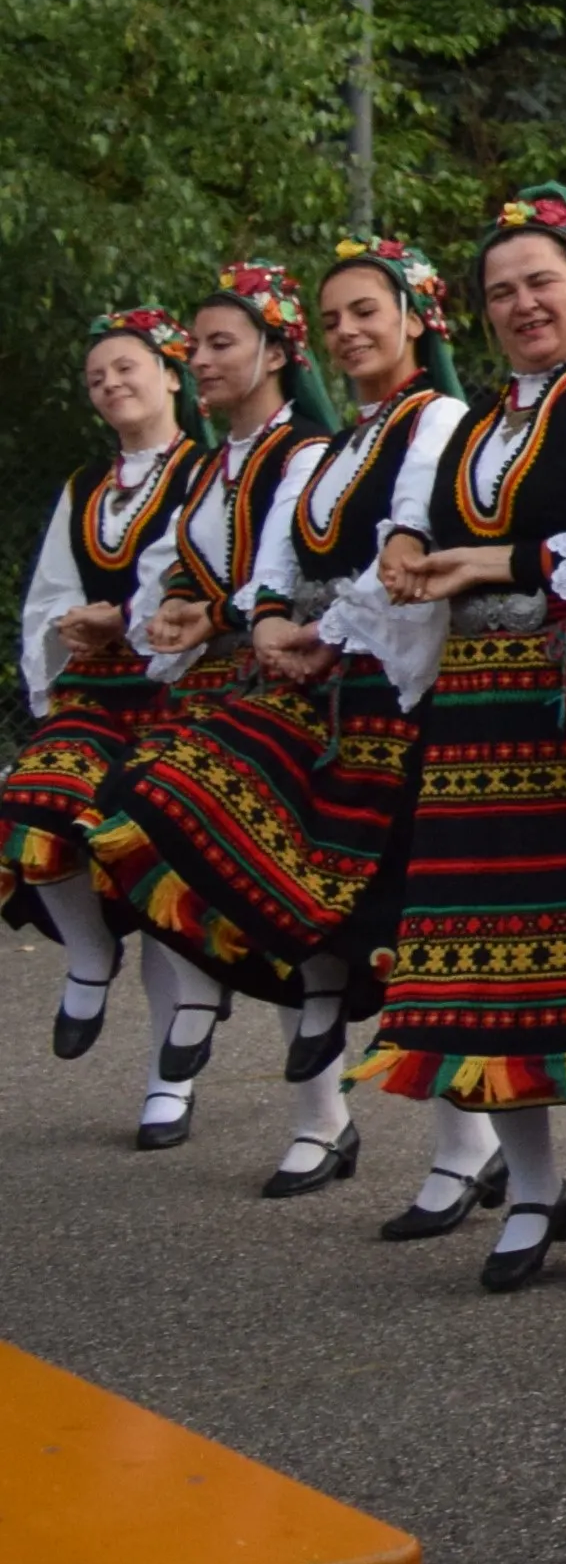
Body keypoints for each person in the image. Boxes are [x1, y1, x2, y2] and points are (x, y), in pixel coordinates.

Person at [84, 234, 474, 1203]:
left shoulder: (436, 422)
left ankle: (467, 1147)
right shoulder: (333, 450)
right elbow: (269, 568)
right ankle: (318, 1082)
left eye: (364, 313)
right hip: (322, 687)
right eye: (334, 316)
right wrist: (255, 618)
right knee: (238, 845)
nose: (347, 331)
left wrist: (299, 632)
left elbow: (403, 554)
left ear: (415, 319)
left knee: (419, 925)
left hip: (409, 694)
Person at [357, 186, 566, 1292]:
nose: (522, 304)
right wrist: (406, 557)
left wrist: (497, 563)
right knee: (485, 957)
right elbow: (410, 534)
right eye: (501, 291)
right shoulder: (470, 423)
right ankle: (537, 1186)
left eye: (543, 281)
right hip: (479, 706)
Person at [103, 265, 329, 1151]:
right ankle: (319, 1120)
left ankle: (258, 994)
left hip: (293, 680)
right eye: (193, 344)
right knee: (148, 820)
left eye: (220, 342)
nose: (197, 358)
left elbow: (297, 570)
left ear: (275, 351)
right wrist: (155, 615)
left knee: (201, 825)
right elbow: (169, 567)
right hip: (212, 681)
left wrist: (224, 612)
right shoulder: (207, 468)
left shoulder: (307, 450)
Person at [4, 309, 201, 1064]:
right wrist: (70, 625)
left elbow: (200, 569)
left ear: (170, 374)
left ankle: (169, 1079)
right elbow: (51, 585)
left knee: (153, 847)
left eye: (126, 367)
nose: (112, 383)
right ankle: (89, 955)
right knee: (31, 797)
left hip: (172, 689)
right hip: (95, 690)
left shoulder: (204, 472)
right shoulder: (86, 484)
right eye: (97, 377)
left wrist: (123, 616)